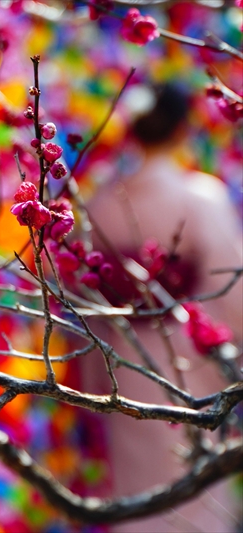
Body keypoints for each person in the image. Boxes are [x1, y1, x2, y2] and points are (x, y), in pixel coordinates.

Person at [82, 83, 243, 533]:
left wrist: (96, 373)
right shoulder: (200, 197)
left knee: (138, 495)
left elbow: (87, 294)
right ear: (182, 128)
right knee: (196, 483)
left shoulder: (101, 202)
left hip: (125, 358)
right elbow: (229, 290)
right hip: (190, 358)